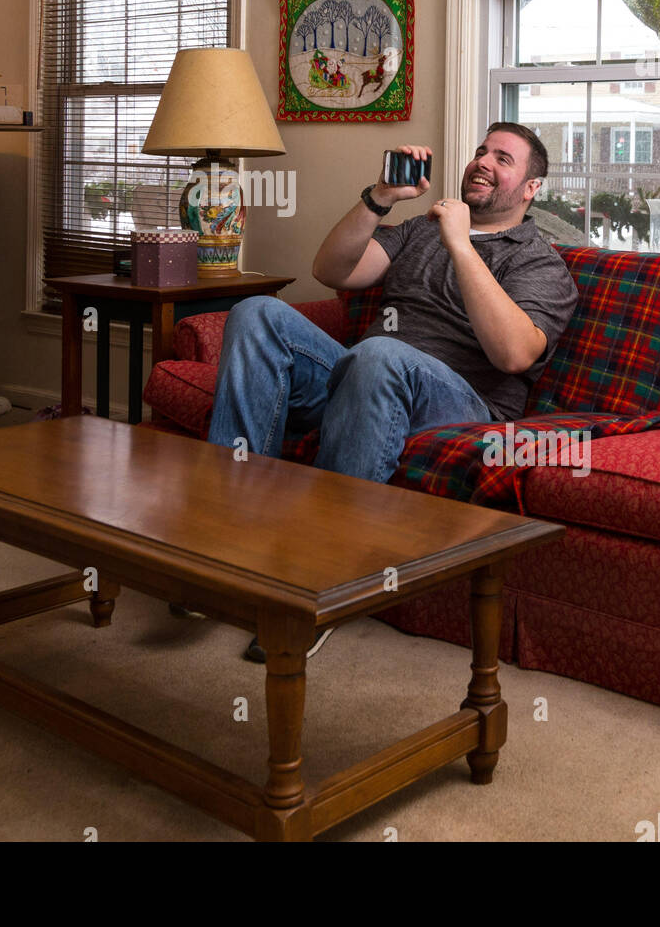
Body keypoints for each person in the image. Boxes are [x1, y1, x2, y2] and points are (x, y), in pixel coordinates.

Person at [205, 123, 579, 661]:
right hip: (365, 378)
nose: (483, 162)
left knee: (380, 353)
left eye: (504, 159)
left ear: (530, 189)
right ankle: (222, 539)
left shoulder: (538, 262)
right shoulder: (417, 230)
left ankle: (322, 580)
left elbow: (514, 355)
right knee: (255, 312)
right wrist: (380, 197)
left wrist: (461, 241)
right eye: (481, 151)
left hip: (464, 406)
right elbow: (332, 270)